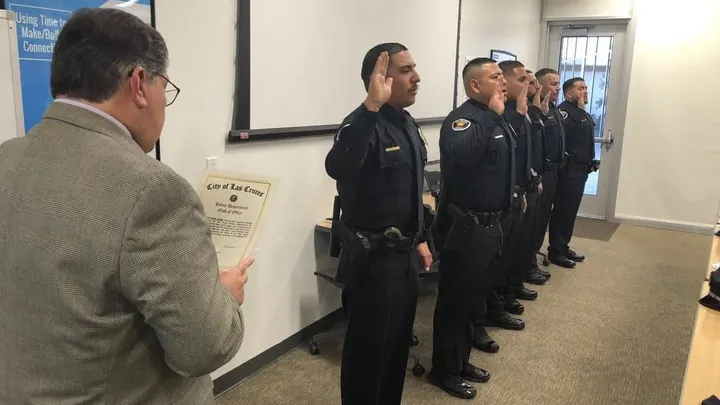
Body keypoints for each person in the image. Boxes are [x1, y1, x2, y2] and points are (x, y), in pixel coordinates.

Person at [0, 8, 252, 405]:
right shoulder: (153, 190)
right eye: (164, 88)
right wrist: (224, 297)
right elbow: (206, 347)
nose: (163, 105)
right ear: (138, 84)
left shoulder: (7, 159)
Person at [324, 43, 433, 405]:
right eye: (405, 70)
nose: (416, 77)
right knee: (367, 357)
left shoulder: (406, 123)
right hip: (373, 263)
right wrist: (371, 106)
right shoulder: (361, 123)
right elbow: (338, 167)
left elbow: (408, 191)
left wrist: (418, 237)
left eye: (414, 68)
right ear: (380, 79)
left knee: (395, 351)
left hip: (403, 261)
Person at [429, 57, 513, 400]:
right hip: (466, 229)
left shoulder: (495, 116)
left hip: (491, 226)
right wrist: (493, 115)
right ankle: (444, 370)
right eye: (495, 77)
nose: (503, 81)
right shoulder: (462, 120)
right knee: (455, 302)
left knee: (473, 301)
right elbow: (462, 156)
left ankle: (460, 361)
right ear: (475, 85)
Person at [474, 61, 532, 340]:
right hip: (475, 219)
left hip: (504, 204)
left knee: (498, 265)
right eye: (497, 77)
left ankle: (493, 308)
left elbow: (512, 159)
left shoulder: (504, 115)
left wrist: (517, 191)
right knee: (472, 286)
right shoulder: (472, 118)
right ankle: (482, 319)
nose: (504, 83)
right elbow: (468, 158)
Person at [548, 77, 600, 267]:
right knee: (563, 211)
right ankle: (555, 251)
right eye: (580, 88)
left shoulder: (581, 112)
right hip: (568, 171)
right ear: (568, 93)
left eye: (586, 88)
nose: (585, 91)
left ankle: (563, 246)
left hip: (580, 171)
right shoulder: (563, 113)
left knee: (570, 212)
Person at [529, 68, 565, 274]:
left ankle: (532, 258)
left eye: (558, 84)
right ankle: (529, 264)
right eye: (553, 84)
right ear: (540, 86)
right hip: (540, 174)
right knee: (534, 223)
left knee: (542, 220)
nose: (557, 88)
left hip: (553, 172)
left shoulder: (552, 108)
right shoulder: (534, 110)